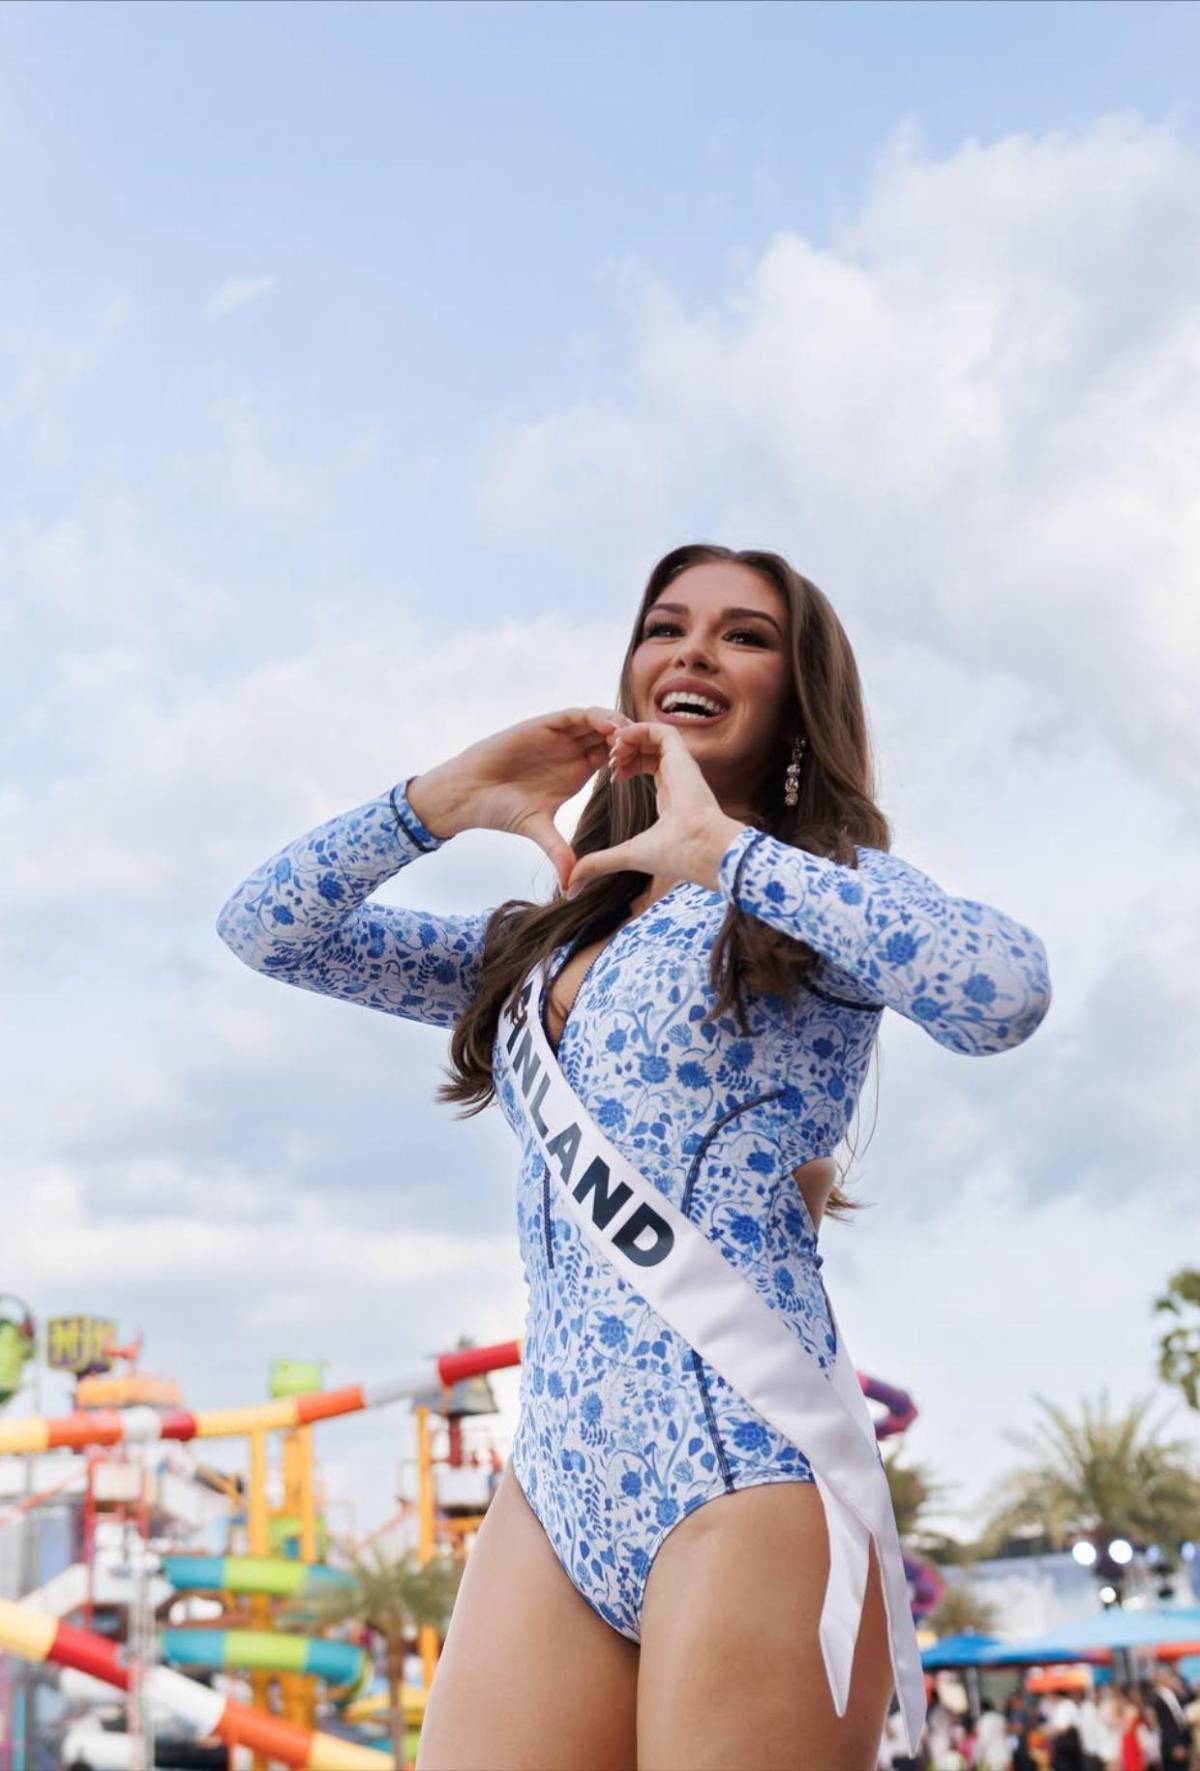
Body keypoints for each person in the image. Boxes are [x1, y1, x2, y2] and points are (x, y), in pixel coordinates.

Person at [217, 543, 1053, 1769]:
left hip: (750, 1463)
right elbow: (266, 930)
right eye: (666, 626)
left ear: (798, 699)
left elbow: (1003, 991)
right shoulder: (537, 944)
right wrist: (443, 797)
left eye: (744, 634)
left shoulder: (811, 892)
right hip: (555, 1482)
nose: (694, 650)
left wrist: (729, 854)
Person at [1150, 1667, 1192, 1769]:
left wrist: (1180, 1691)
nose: (1172, 1679)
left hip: (1183, 1738)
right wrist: (1175, 1744)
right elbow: (1165, 1724)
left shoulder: (1173, 1694)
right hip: (1172, 1743)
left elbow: (1182, 1711)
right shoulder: (1157, 1697)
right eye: (1168, 1676)